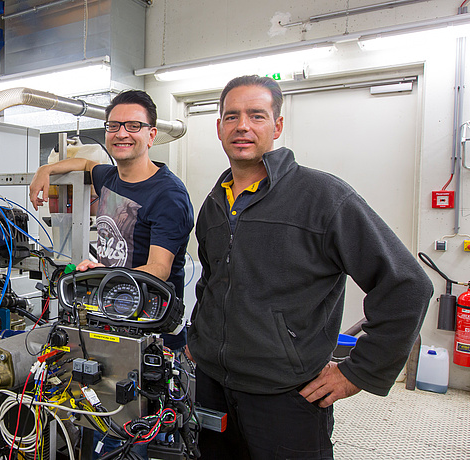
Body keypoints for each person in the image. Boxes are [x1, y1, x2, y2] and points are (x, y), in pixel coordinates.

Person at [188, 75, 433, 459]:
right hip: (212, 388)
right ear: (219, 127)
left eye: (256, 115)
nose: (243, 126)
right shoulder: (214, 204)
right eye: (231, 116)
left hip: (287, 396)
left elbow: (407, 285)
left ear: (277, 125)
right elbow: (212, 280)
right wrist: (196, 342)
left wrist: (358, 372)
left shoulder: (323, 197)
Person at [29, 89, 194, 350]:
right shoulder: (109, 178)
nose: (121, 133)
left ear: (151, 135)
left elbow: (159, 269)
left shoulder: (168, 195)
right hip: (110, 318)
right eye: (114, 125)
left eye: (134, 126)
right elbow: (84, 164)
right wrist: (45, 169)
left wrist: (102, 273)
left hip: (152, 331)